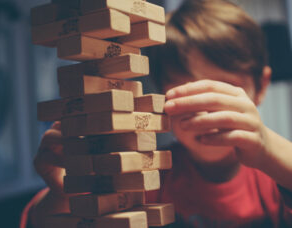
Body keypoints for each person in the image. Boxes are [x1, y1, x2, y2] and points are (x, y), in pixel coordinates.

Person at [21, 0, 292, 227]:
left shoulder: (276, 175)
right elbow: (42, 218)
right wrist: (64, 193)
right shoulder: (149, 175)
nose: (205, 110)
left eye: (223, 90)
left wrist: (269, 148)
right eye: (183, 89)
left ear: (261, 87)